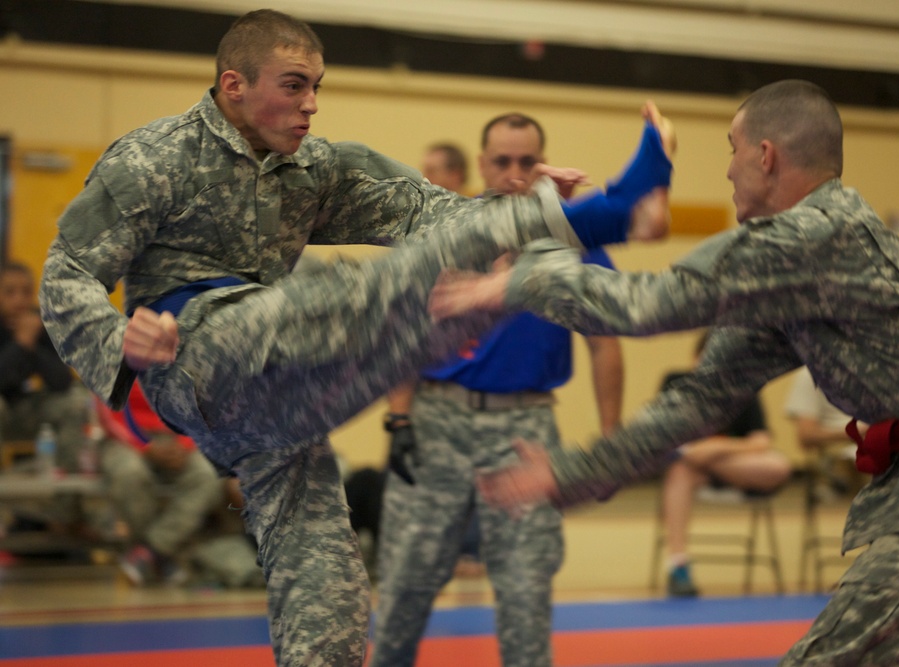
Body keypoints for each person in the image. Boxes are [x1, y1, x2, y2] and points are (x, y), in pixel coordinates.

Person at [37, 9, 673, 666]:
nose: (311, 104)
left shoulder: (315, 168)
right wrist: (122, 345)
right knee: (346, 296)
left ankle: (580, 222)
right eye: (292, 85)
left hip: (279, 413)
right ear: (234, 85)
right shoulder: (152, 159)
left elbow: (428, 210)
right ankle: (611, 211)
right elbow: (66, 273)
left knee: (334, 610)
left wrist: (525, 210)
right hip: (202, 354)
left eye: (317, 85)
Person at [430, 79, 899, 665]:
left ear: (765, 155)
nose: (727, 171)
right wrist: (575, 474)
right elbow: (700, 397)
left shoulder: (813, 236)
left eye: (731, 148)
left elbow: (650, 304)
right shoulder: (797, 265)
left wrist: (524, 275)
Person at [371, 112, 627, 667]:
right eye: (502, 161)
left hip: (524, 428)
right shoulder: (445, 232)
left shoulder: (569, 238)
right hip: (438, 419)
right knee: (404, 587)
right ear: (482, 165)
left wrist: (609, 443)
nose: (514, 173)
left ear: (542, 165)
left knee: (525, 591)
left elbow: (605, 342)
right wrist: (399, 419)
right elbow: (402, 334)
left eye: (527, 162)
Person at [659, 330, 790, 598]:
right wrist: (698, 453)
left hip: (735, 469)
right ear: (695, 359)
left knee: (778, 466)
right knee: (680, 469)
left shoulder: (745, 388)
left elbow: (761, 442)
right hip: (690, 469)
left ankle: (704, 457)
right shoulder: (675, 383)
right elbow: (665, 436)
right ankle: (678, 566)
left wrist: (716, 448)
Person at [96, 385, 224, 586]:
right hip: (125, 439)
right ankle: (161, 558)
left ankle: (150, 551)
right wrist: (145, 446)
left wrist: (185, 444)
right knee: (130, 474)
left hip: (177, 436)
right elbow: (107, 413)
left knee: (208, 474)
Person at [0, 261, 89, 476]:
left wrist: (32, 344)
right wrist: (20, 345)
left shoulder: (41, 323)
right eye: (9, 292)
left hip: (27, 410)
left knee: (77, 401)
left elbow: (63, 382)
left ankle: (67, 495)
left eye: (26, 292)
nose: (19, 300)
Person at [784, 365, 864, 500]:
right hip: (840, 451)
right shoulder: (811, 374)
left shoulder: (873, 372)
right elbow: (806, 436)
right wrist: (855, 433)